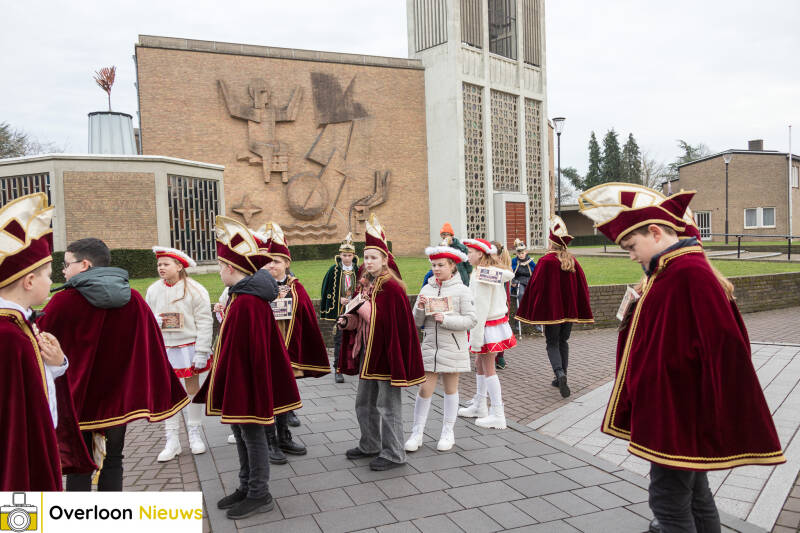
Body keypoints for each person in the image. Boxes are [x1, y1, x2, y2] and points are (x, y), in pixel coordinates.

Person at [578, 183, 785, 533]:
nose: (631, 255)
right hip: (674, 410)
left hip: (677, 412)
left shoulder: (688, 274)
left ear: (655, 232)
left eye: (632, 246)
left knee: (669, 504)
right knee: (696, 495)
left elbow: (726, 347)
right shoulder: (671, 272)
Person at [39, 237, 189, 492]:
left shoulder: (63, 302)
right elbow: (151, 343)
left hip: (80, 398)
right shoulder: (133, 298)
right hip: (119, 400)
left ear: (84, 264)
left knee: (80, 465)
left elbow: (39, 344)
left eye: (66, 264)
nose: (63, 271)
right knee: (115, 459)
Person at [194, 216, 301, 520]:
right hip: (239, 381)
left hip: (248, 383)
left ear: (230, 268)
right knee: (241, 433)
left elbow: (253, 351)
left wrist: (246, 387)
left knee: (252, 436)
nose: (218, 272)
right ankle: (245, 485)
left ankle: (259, 493)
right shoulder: (242, 298)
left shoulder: (247, 303)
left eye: (219, 266)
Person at [0, 193, 93, 490]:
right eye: (47, 274)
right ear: (28, 281)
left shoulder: (21, 326)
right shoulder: (9, 336)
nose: (52, 281)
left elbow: (33, 391)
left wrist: (56, 365)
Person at [337, 214, 425, 470]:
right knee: (364, 403)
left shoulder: (392, 287)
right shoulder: (368, 284)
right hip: (367, 352)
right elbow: (362, 319)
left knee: (387, 405)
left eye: (374, 257)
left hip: (386, 354)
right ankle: (370, 444)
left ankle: (394, 453)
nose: (369, 262)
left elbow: (386, 323)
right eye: (366, 257)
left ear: (385, 260)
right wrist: (348, 322)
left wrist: (362, 307)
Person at [262, 222, 330, 463]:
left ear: (287, 264)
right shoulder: (256, 286)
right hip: (265, 351)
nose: (271, 265)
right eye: (268, 260)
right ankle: (268, 441)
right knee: (267, 394)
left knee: (283, 392)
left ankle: (283, 435)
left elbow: (306, 318)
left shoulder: (295, 287)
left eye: (277, 261)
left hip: (287, 349)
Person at [406, 240, 476, 452]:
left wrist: (445, 319)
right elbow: (416, 322)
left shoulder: (462, 290)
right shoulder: (426, 287)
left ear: (452, 265)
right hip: (429, 347)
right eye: (434, 265)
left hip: (452, 347)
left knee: (450, 390)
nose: (436, 269)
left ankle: (448, 431)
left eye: (441, 265)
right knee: (424, 389)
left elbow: (471, 320)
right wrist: (419, 308)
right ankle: (417, 432)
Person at [145, 246, 213, 461]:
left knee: (192, 388)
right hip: (164, 347)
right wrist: (152, 322)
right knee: (167, 391)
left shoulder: (195, 289)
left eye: (166, 264)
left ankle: (194, 432)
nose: (161, 268)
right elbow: (147, 315)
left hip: (189, 346)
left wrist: (202, 350)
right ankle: (171, 438)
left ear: (179, 266)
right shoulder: (153, 289)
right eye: (159, 265)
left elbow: (204, 321)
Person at [515, 216, 593, 398]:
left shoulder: (545, 262)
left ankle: (559, 373)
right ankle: (561, 378)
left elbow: (535, 287)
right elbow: (582, 286)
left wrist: (533, 307)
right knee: (563, 342)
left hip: (552, 312)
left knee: (552, 343)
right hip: (569, 312)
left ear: (551, 244)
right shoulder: (572, 261)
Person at [457, 238, 515, 429]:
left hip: (486, 326)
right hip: (491, 324)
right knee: (480, 364)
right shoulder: (485, 272)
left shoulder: (482, 274)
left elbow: (480, 309)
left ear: (480, 254)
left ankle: (498, 413)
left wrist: (474, 340)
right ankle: (480, 404)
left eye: (471, 252)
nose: (467, 255)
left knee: (489, 368)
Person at [320, 232, 359, 383]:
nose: (347, 258)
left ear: (353, 255)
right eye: (344, 255)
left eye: (349, 255)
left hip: (356, 311)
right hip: (340, 310)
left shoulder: (358, 270)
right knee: (340, 340)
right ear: (340, 255)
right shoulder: (333, 270)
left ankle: (357, 367)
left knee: (358, 339)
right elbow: (326, 290)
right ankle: (338, 369)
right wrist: (338, 299)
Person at [421, 222, 472, 288]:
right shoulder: (440, 247)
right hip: (446, 277)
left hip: (461, 276)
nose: (445, 237)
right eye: (443, 234)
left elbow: (468, 264)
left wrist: (468, 273)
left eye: (447, 234)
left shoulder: (461, 247)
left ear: (452, 235)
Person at [491, 240, 512, 370]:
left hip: (497, 305)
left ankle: (498, 357)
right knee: (499, 331)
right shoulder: (503, 269)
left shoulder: (500, 271)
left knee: (496, 331)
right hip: (501, 304)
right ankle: (499, 357)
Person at [510, 239, 536, 336]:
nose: (521, 255)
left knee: (535, 297)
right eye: (519, 253)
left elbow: (537, 271)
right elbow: (511, 273)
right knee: (521, 294)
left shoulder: (530, 261)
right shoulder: (514, 261)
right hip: (518, 282)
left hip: (529, 282)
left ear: (526, 252)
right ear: (516, 253)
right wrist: (513, 281)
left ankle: (536, 321)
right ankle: (519, 319)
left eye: (523, 253)